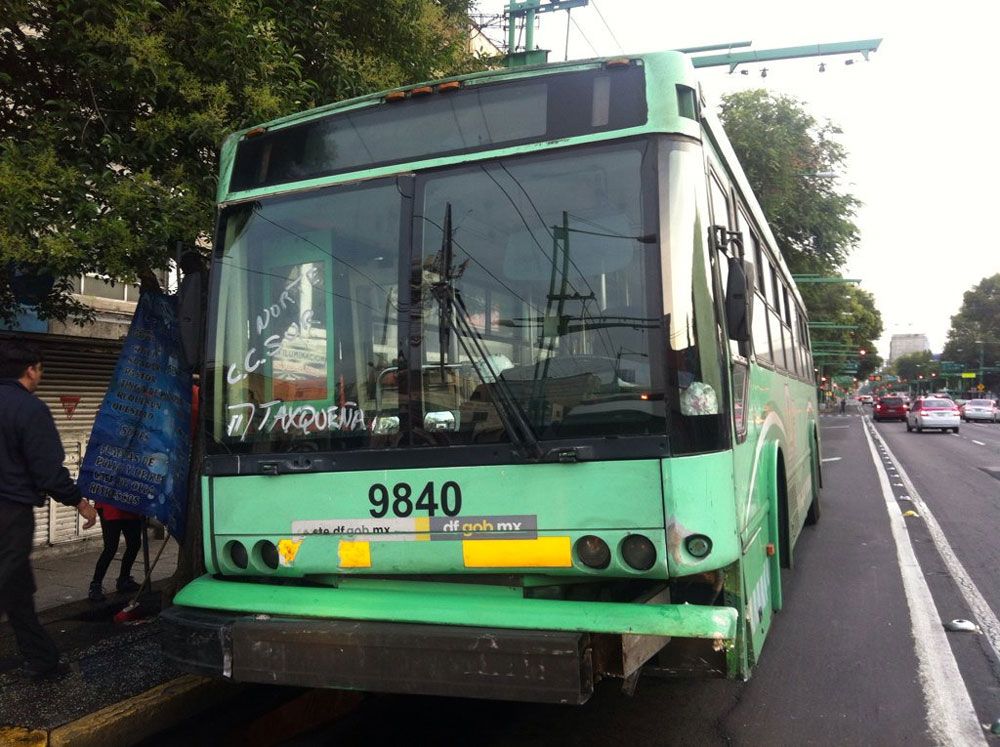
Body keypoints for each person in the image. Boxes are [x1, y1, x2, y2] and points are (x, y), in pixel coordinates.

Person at [0, 338, 97, 678]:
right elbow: (48, 471)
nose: (40, 376)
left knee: (17, 590)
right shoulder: (30, 409)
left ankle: (42, 660)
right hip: (10, 514)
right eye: (41, 370)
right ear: (30, 370)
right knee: (8, 582)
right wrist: (79, 502)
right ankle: (42, 659)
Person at [88, 503, 142, 602]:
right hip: (110, 507)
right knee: (110, 548)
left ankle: (124, 579)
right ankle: (96, 584)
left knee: (134, 545)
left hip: (130, 507)